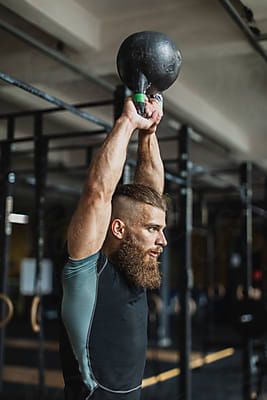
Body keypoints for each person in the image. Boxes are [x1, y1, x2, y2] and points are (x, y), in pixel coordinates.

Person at [59, 94, 167, 400]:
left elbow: (148, 194)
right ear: (118, 228)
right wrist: (128, 122)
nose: (162, 241)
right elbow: (96, 194)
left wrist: (149, 132)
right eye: (153, 230)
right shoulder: (86, 275)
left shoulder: (136, 267)